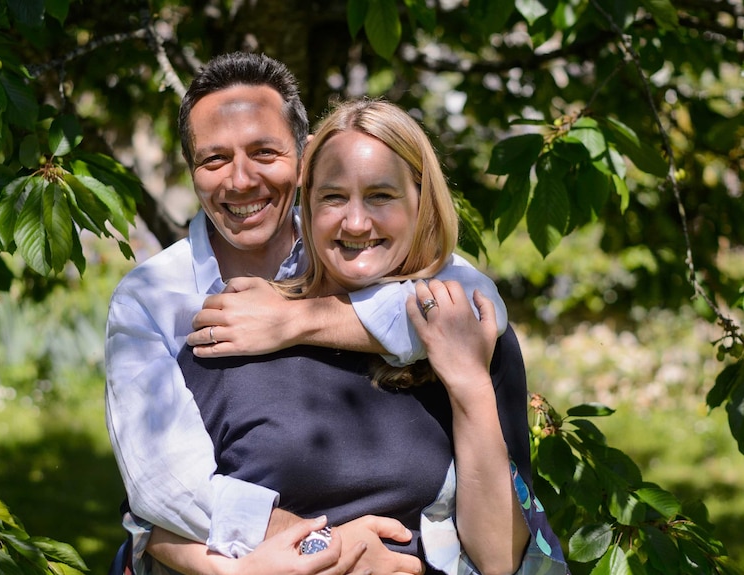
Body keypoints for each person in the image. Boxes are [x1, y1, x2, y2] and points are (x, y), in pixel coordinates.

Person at [105, 52, 511, 575]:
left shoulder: (348, 234)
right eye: (214, 160)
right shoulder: (152, 298)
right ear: (191, 170)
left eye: (264, 151)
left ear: (304, 155)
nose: (241, 180)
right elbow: (164, 487)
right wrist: (329, 547)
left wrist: (297, 319)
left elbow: (476, 306)